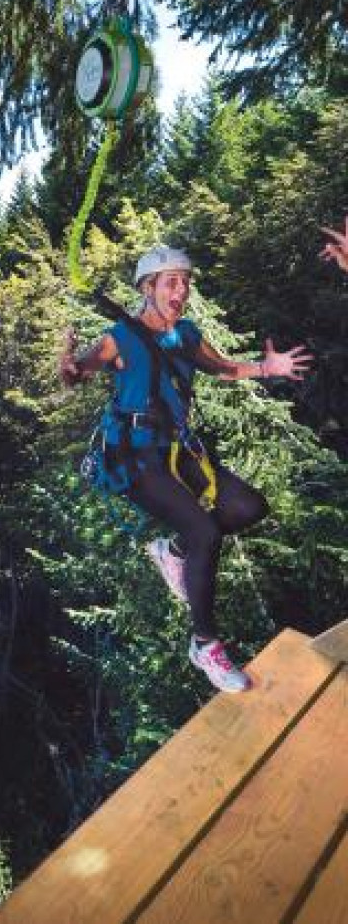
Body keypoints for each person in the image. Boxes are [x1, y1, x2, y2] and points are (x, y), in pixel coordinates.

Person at [59, 245, 313, 692]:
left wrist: (265, 367)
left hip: (177, 450)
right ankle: (205, 644)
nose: (182, 291)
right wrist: (69, 367)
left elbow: (224, 369)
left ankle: (173, 552)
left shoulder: (187, 336)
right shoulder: (120, 336)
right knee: (206, 533)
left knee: (248, 507)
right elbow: (82, 371)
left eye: (186, 282)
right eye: (171, 282)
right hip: (133, 457)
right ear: (147, 288)